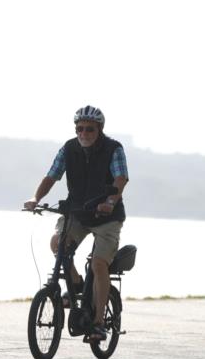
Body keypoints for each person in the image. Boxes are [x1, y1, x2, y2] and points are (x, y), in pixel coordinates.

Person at [23, 105, 129, 341]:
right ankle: (75, 282)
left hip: (107, 216)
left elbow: (121, 178)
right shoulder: (69, 148)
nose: (83, 134)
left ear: (99, 129)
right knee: (57, 242)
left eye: (89, 129)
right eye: (79, 128)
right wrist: (35, 199)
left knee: (99, 264)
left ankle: (99, 323)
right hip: (78, 213)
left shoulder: (113, 149)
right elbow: (51, 175)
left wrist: (111, 201)